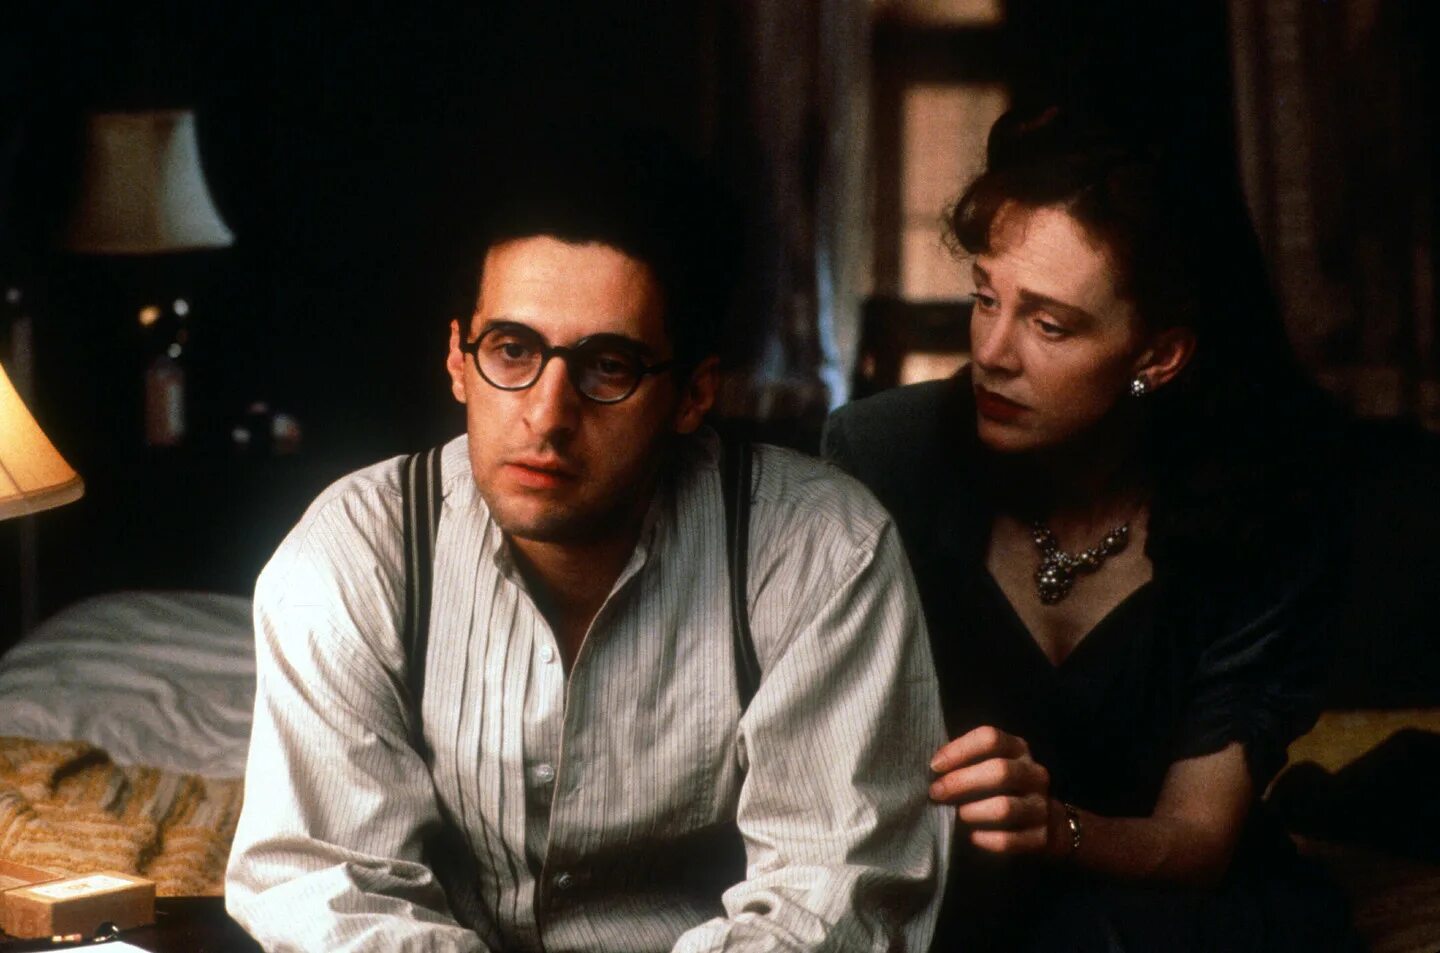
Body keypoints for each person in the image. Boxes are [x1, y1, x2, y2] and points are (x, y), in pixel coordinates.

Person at [225, 133, 950, 952]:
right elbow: (332, 889)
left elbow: (830, 901)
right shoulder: (353, 552)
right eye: (512, 351)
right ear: (458, 360)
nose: (547, 416)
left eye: (608, 366)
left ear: (693, 394)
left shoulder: (823, 550)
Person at [824, 106, 1356, 951]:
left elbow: (1197, 842)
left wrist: (1059, 827)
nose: (992, 353)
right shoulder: (884, 457)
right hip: (935, 893)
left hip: (1158, 901)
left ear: (1158, 356)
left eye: (1049, 324)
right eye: (984, 298)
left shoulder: (1264, 510)